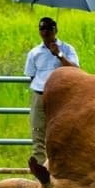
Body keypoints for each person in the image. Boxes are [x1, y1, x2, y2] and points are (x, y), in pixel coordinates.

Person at [24, 16, 78, 164]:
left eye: (49, 28)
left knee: (62, 134)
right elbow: (31, 75)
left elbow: (76, 70)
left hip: (61, 96)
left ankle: (61, 169)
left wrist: (59, 55)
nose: (46, 32)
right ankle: (42, 172)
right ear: (39, 31)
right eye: (42, 28)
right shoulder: (34, 53)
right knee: (38, 134)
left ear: (56, 30)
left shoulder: (67, 49)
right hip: (40, 94)